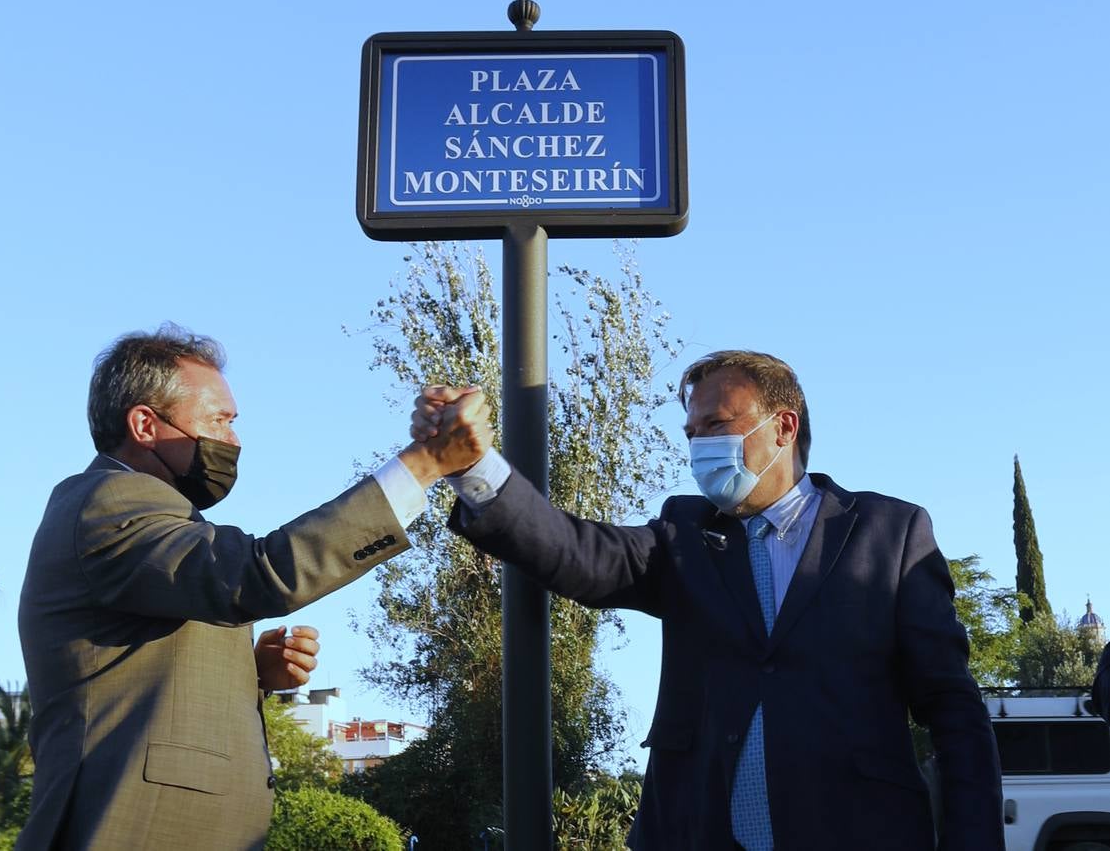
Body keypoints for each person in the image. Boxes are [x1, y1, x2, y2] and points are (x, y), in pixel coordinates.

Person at [415, 350, 1003, 850]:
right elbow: (577, 553)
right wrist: (476, 468)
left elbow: (952, 705)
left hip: (859, 830)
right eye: (692, 433)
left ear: (784, 427)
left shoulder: (889, 533)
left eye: (718, 426)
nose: (700, 446)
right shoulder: (685, 533)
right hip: (694, 830)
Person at [17, 325, 491, 851]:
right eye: (219, 420)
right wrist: (422, 467)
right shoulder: (110, 501)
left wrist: (250, 674)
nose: (233, 440)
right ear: (145, 423)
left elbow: (133, 676)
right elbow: (260, 574)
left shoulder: (149, 518)